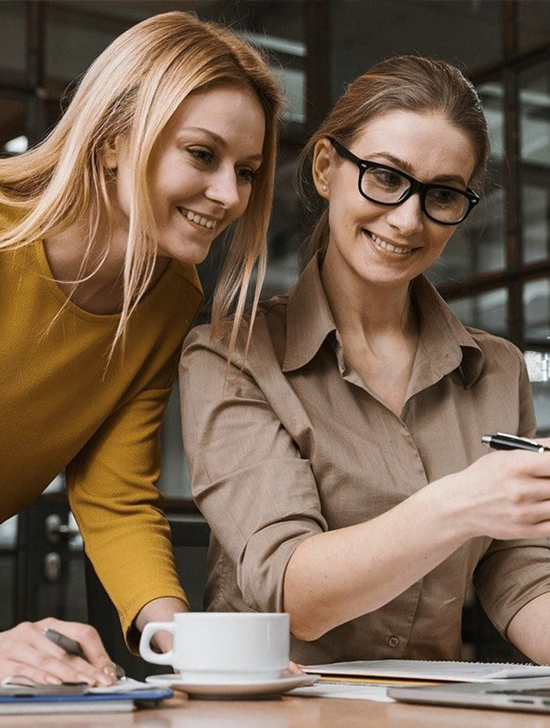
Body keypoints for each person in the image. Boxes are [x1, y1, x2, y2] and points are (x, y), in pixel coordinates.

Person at [180, 55, 550, 666]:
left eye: (443, 194)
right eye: (384, 176)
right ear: (326, 167)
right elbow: (293, 594)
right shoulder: (230, 355)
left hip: (426, 705)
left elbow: (521, 571)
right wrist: (459, 503)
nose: (408, 219)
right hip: (277, 709)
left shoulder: (498, 369)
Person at [0, 10, 281, 685]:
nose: (228, 196)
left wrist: (195, 654)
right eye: (202, 154)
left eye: (246, 171)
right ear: (112, 143)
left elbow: (116, 498)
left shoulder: (170, 299)